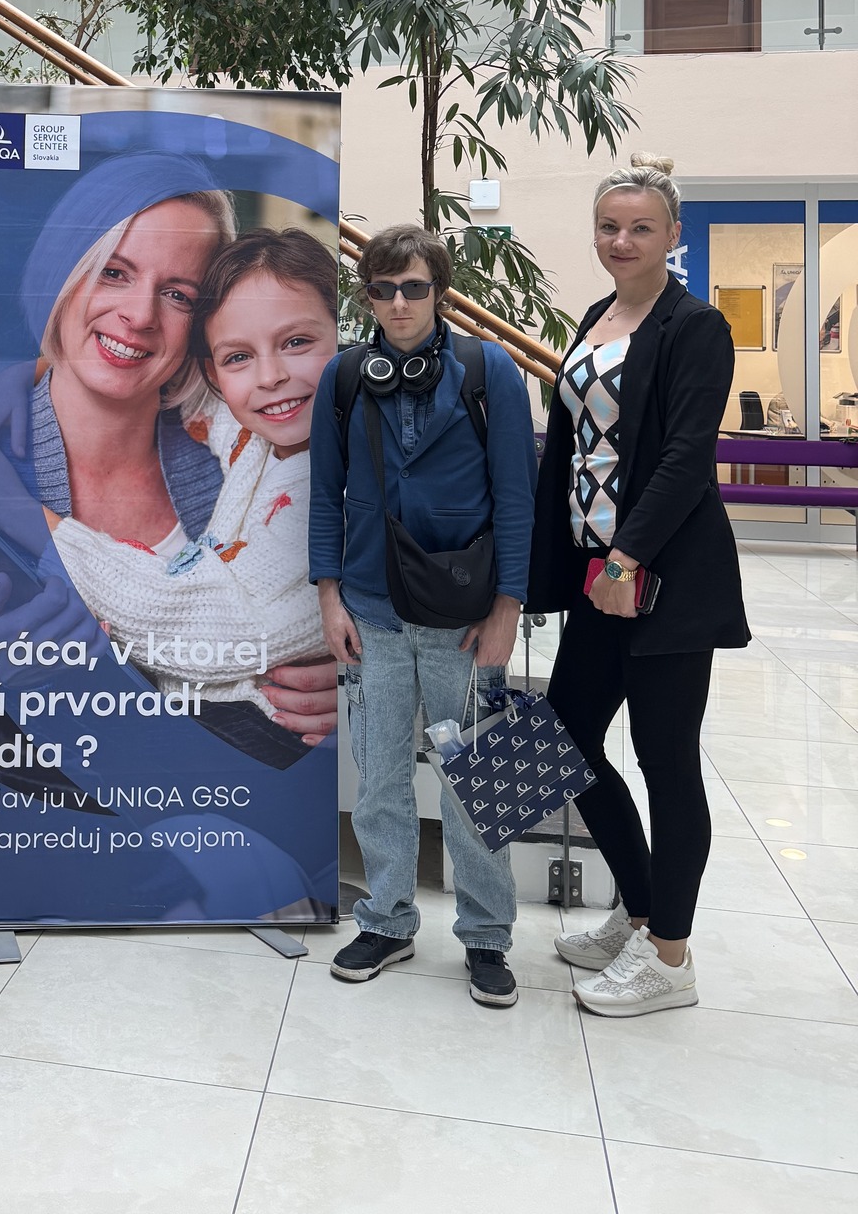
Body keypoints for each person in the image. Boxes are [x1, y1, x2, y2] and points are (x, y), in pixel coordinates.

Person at [0, 156, 340, 750]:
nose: (141, 315)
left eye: (178, 294)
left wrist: (346, 672)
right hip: (33, 802)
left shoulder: (244, 437)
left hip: (227, 791)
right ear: (64, 274)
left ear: (198, 329)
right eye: (114, 273)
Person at [531, 154, 750, 1017]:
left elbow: (687, 457)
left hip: (664, 576)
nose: (621, 240)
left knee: (666, 761)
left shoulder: (695, 326)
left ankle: (670, 957)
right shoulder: (598, 316)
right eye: (609, 226)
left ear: (673, 236)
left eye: (640, 228)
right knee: (564, 740)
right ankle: (640, 908)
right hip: (600, 577)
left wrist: (627, 558)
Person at [310, 223, 538, 1007]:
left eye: (413, 287)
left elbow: (517, 497)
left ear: (438, 291)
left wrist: (509, 606)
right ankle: (387, 920)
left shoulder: (490, 370)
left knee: (477, 781)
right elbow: (325, 496)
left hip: (466, 614)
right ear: (367, 296)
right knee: (379, 781)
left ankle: (487, 934)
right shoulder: (345, 376)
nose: (399, 302)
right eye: (383, 289)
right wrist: (329, 594)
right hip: (371, 609)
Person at [48, 227, 338, 719]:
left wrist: (52, 533)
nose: (270, 377)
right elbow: (192, 389)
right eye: (239, 356)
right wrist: (25, 374)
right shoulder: (259, 438)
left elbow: (194, 627)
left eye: (297, 342)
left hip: (250, 733)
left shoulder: (334, 490)